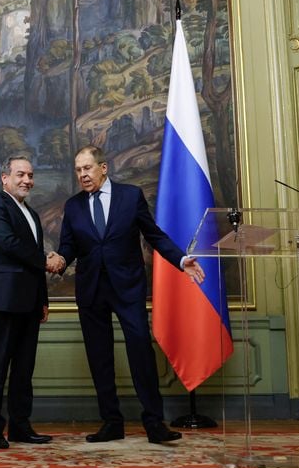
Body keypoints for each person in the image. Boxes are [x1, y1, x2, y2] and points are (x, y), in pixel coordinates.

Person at [48, 145, 205, 444]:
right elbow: (68, 245)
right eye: (78, 170)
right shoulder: (73, 206)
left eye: (87, 168)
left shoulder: (131, 196)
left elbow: (154, 234)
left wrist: (181, 260)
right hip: (91, 290)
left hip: (127, 288)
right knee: (100, 357)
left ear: (103, 167)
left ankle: (154, 423)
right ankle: (111, 422)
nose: (82, 175)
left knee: (140, 351)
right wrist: (61, 258)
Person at [0, 156, 55, 450]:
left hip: (30, 302)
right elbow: (8, 243)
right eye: (20, 174)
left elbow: (33, 262)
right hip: (4, 298)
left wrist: (43, 300)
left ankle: (21, 427)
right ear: (5, 178)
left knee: (24, 369)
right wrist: (46, 260)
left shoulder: (32, 213)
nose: (27, 180)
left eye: (30, 175)